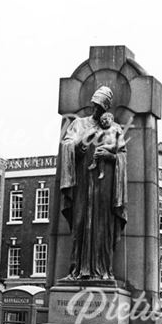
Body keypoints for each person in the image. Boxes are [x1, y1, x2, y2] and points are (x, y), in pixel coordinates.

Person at [57, 85, 127, 282]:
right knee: (80, 224)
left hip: (104, 188)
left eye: (100, 106)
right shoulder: (79, 124)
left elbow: (122, 156)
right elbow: (68, 146)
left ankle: (103, 271)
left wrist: (110, 156)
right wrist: (82, 142)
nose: (96, 109)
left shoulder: (115, 128)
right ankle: (78, 270)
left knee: (102, 228)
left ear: (106, 108)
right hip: (82, 185)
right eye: (95, 105)